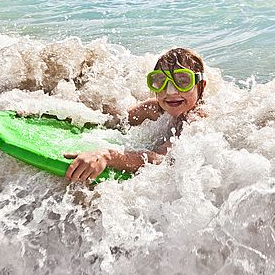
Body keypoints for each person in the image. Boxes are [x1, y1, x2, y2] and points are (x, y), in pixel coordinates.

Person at [64, 47, 207, 182]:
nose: (170, 92)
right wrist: (71, 115)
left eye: (183, 81)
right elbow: (116, 122)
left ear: (201, 85)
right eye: (161, 81)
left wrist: (107, 156)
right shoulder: (154, 108)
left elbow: (161, 159)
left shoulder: (196, 121)